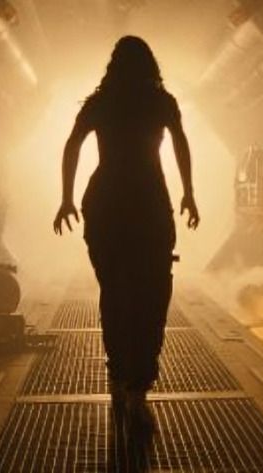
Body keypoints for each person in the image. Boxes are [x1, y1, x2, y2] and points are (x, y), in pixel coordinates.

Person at [53, 36, 200, 432]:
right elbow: (181, 145)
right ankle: (138, 388)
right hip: (149, 204)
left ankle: (119, 378)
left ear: (113, 66)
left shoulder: (100, 103)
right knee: (152, 296)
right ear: (150, 64)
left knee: (115, 294)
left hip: (106, 204)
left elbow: (72, 145)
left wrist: (67, 198)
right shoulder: (161, 102)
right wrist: (188, 193)